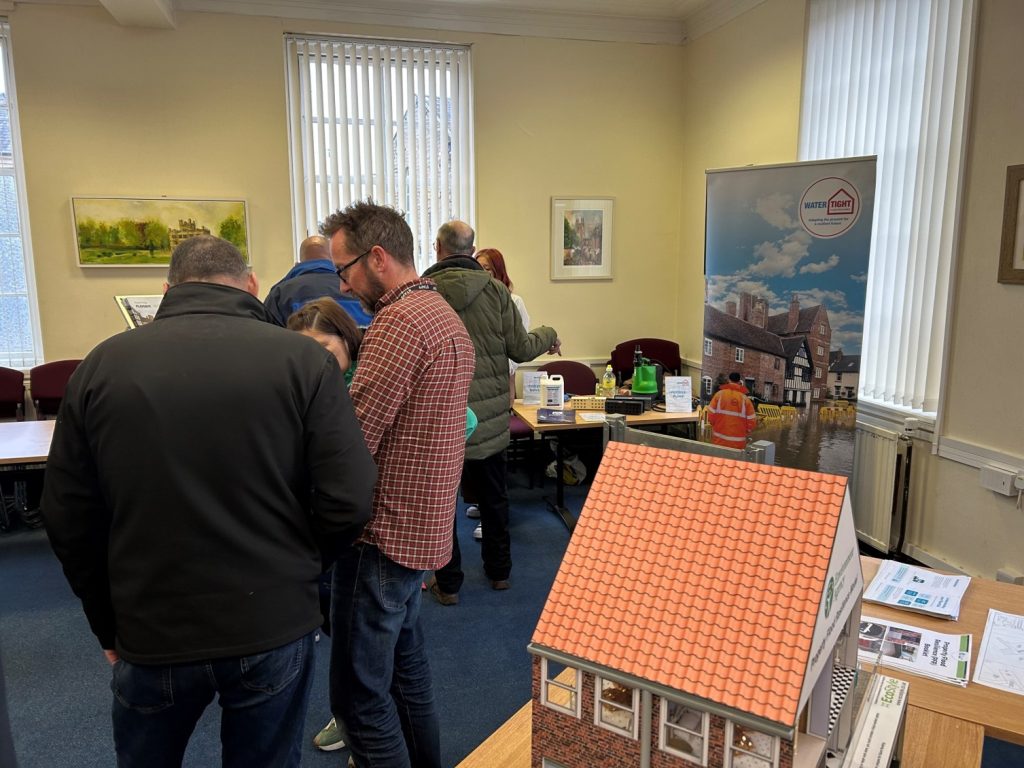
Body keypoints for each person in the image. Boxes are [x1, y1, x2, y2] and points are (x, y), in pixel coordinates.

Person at [40, 235, 376, 768]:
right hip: (272, 618)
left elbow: (66, 516)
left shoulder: (100, 367)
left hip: (151, 624)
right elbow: (351, 499)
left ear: (167, 289)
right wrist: (299, 571)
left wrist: (107, 620)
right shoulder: (304, 364)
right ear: (251, 285)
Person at [322, 201, 475, 768]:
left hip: (381, 537)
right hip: (423, 532)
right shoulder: (440, 314)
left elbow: (353, 437)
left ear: (378, 258)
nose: (342, 283)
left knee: (359, 698)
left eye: (345, 268)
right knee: (408, 680)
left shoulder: (397, 324)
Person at [423, 221, 560, 602]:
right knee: (494, 499)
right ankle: (499, 573)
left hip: (441, 421)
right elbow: (520, 348)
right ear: (472, 250)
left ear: (437, 248)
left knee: (442, 507)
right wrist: (549, 334)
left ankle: (448, 584)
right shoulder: (498, 293)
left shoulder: (424, 294)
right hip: (489, 422)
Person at [470, 247, 529, 534]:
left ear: (498, 272)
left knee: (493, 456)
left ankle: (490, 518)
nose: (482, 274)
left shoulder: (512, 300)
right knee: (476, 452)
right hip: (476, 387)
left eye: (487, 269)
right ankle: (481, 504)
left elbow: (517, 349)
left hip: (500, 382)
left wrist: (509, 388)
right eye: (477, 267)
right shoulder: (475, 300)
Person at [263, 234, 372, 328]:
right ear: (332, 260)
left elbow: (269, 339)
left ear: (297, 264)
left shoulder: (279, 294)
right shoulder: (358, 287)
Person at [287, 296, 362, 387]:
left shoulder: (370, 377)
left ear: (345, 337)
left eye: (321, 346)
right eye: (305, 351)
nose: (314, 357)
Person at [707, 371, 757, 448]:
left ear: (729, 381)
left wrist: (717, 425)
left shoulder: (719, 395)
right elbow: (752, 422)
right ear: (739, 382)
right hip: (738, 444)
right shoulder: (745, 400)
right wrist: (744, 431)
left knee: (719, 460)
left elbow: (710, 415)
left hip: (719, 442)